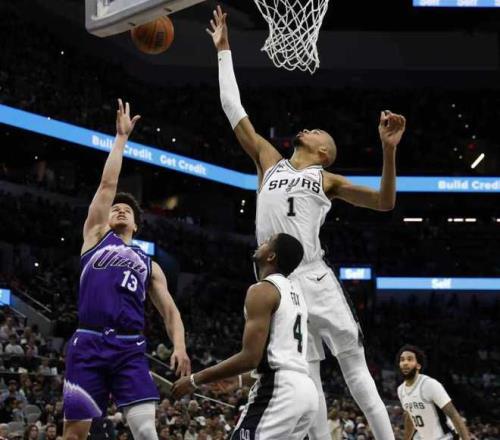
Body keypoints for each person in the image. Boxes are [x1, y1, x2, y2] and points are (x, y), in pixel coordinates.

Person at [206, 6, 406, 440]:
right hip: (278, 283)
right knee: (307, 375)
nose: (310, 129)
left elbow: (385, 202)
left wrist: (388, 151)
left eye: (318, 133)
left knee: (354, 367)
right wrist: (223, 51)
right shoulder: (269, 161)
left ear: (323, 153)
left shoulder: (326, 178)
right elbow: (232, 107)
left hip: (314, 276)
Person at [62, 100, 191, 440]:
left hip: (129, 348)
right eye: (114, 209)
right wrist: (120, 140)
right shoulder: (95, 237)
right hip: (89, 342)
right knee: (74, 434)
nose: (119, 210)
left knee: (147, 431)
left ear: (136, 224)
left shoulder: (150, 265)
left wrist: (179, 346)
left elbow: (170, 311)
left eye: (127, 210)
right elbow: (107, 186)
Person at [172, 233, 318, 439]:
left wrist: (195, 380)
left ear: (271, 256)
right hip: (306, 391)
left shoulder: (263, 290)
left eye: (268, 242)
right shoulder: (297, 296)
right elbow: (280, 359)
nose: (262, 243)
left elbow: (250, 358)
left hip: (280, 390)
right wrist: (239, 381)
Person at [396, 345, 470, 440]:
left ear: (418, 365)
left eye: (410, 359)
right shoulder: (401, 390)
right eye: (402, 360)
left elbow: (454, 415)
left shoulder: (429, 384)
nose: (405, 363)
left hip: (445, 436)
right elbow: (410, 417)